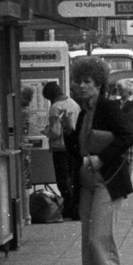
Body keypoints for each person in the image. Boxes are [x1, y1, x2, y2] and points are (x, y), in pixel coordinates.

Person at [68, 56, 133, 265]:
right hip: (89, 183)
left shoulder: (107, 107)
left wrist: (101, 158)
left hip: (107, 181)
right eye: (79, 82)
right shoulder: (85, 111)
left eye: (88, 82)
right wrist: (67, 132)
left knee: (99, 240)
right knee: (88, 244)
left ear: (99, 85)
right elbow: (79, 148)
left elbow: (128, 135)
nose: (82, 86)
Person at [43, 80, 81, 221]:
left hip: (60, 147)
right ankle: (76, 208)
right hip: (73, 145)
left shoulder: (55, 107)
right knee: (72, 177)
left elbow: (56, 131)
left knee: (62, 179)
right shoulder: (73, 103)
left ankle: (69, 208)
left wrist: (46, 131)